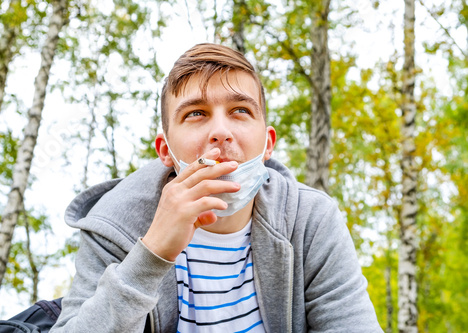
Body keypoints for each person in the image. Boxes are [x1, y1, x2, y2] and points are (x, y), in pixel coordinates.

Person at [50, 43, 382, 332]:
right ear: (165, 150)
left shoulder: (311, 220)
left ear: (268, 145)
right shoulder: (112, 225)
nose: (220, 132)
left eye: (240, 110)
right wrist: (150, 256)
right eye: (196, 113)